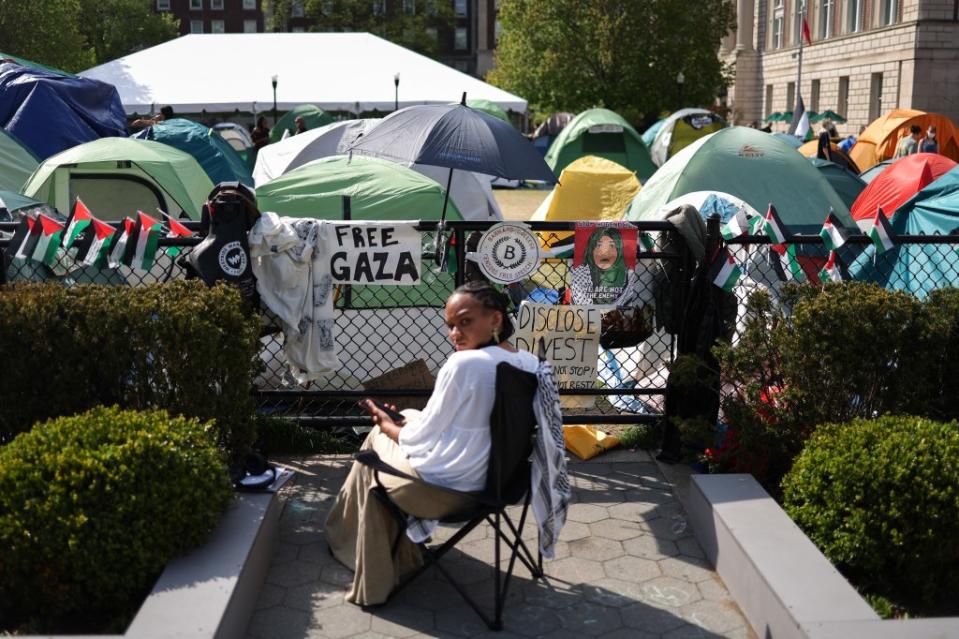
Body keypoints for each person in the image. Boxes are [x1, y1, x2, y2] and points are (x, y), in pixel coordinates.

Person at [324, 281, 546, 606]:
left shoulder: (463, 364)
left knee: (373, 445)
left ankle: (359, 550)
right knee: (411, 415)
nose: (455, 333)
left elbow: (421, 437)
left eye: (465, 322)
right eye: (451, 325)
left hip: (444, 492)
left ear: (496, 319)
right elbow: (455, 426)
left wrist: (387, 425)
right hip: (503, 483)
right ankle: (393, 548)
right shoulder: (530, 364)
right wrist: (404, 422)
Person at [569, 226, 638, 305]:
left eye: (611, 246)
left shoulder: (629, 275)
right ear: (591, 249)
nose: (605, 252)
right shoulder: (580, 273)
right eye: (599, 245)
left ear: (618, 250)